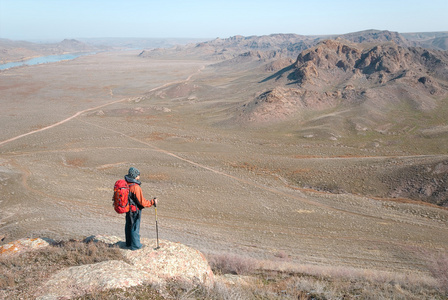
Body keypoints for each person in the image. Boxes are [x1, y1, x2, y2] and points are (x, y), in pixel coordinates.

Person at [124, 167, 157, 250]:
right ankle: (135, 246)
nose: (139, 177)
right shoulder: (135, 187)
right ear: (135, 176)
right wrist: (152, 202)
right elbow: (142, 202)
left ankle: (128, 243)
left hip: (128, 209)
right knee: (135, 226)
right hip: (135, 210)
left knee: (128, 225)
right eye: (138, 175)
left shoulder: (126, 183)